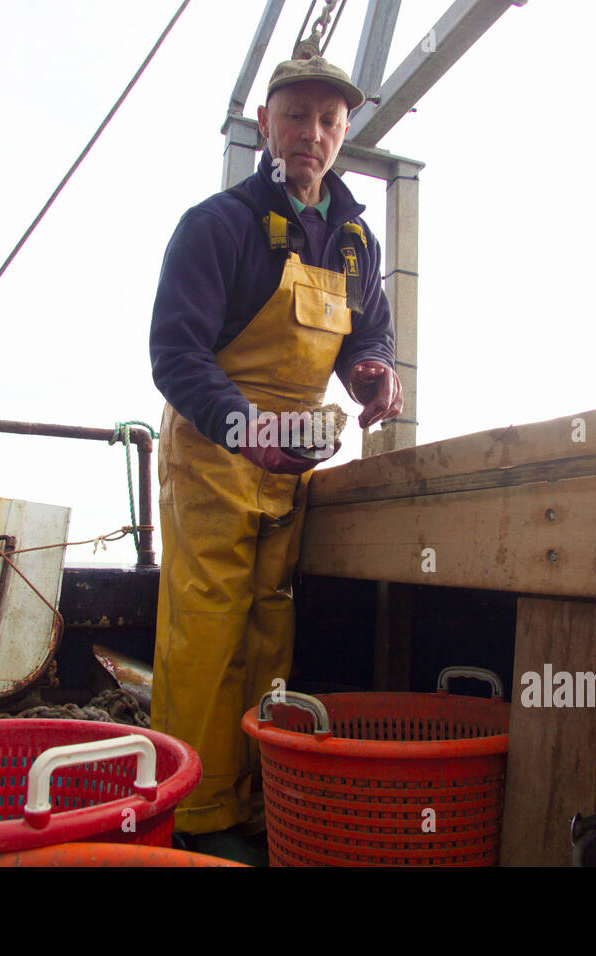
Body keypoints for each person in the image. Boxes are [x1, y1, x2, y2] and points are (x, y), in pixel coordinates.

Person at [148, 54, 403, 855]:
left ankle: (262, 806)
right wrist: (242, 425)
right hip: (216, 458)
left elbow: (370, 330)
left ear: (345, 134)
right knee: (205, 633)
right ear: (266, 124)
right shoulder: (216, 226)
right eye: (296, 117)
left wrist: (374, 370)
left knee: (270, 634)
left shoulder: (356, 241)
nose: (313, 135)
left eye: (329, 122)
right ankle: (189, 816)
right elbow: (176, 353)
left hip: (291, 466)